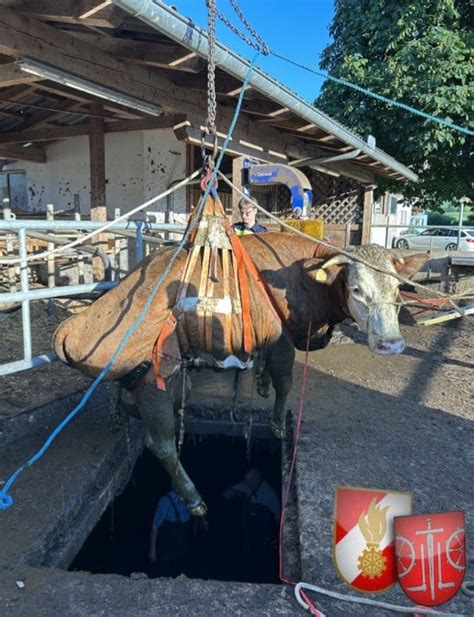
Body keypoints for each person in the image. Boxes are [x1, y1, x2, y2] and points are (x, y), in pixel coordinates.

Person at [223, 468, 280, 581]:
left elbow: (278, 516)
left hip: (264, 533)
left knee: (262, 558)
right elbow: (226, 494)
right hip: (248, 530)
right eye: (247, 482)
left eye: (251, 482)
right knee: (247, 553)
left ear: (258, 479)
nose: (249, 485)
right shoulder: (246, 486)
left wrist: (278, 536)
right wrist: (236, 493)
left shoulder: (269, 494)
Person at [149, 488, 192, 578]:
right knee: (164, 574)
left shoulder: (188, 499)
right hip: (167, 544)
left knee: (180, 575)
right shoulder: (166, 500)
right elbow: (155, 527)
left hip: (181, 545)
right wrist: (153, 550)